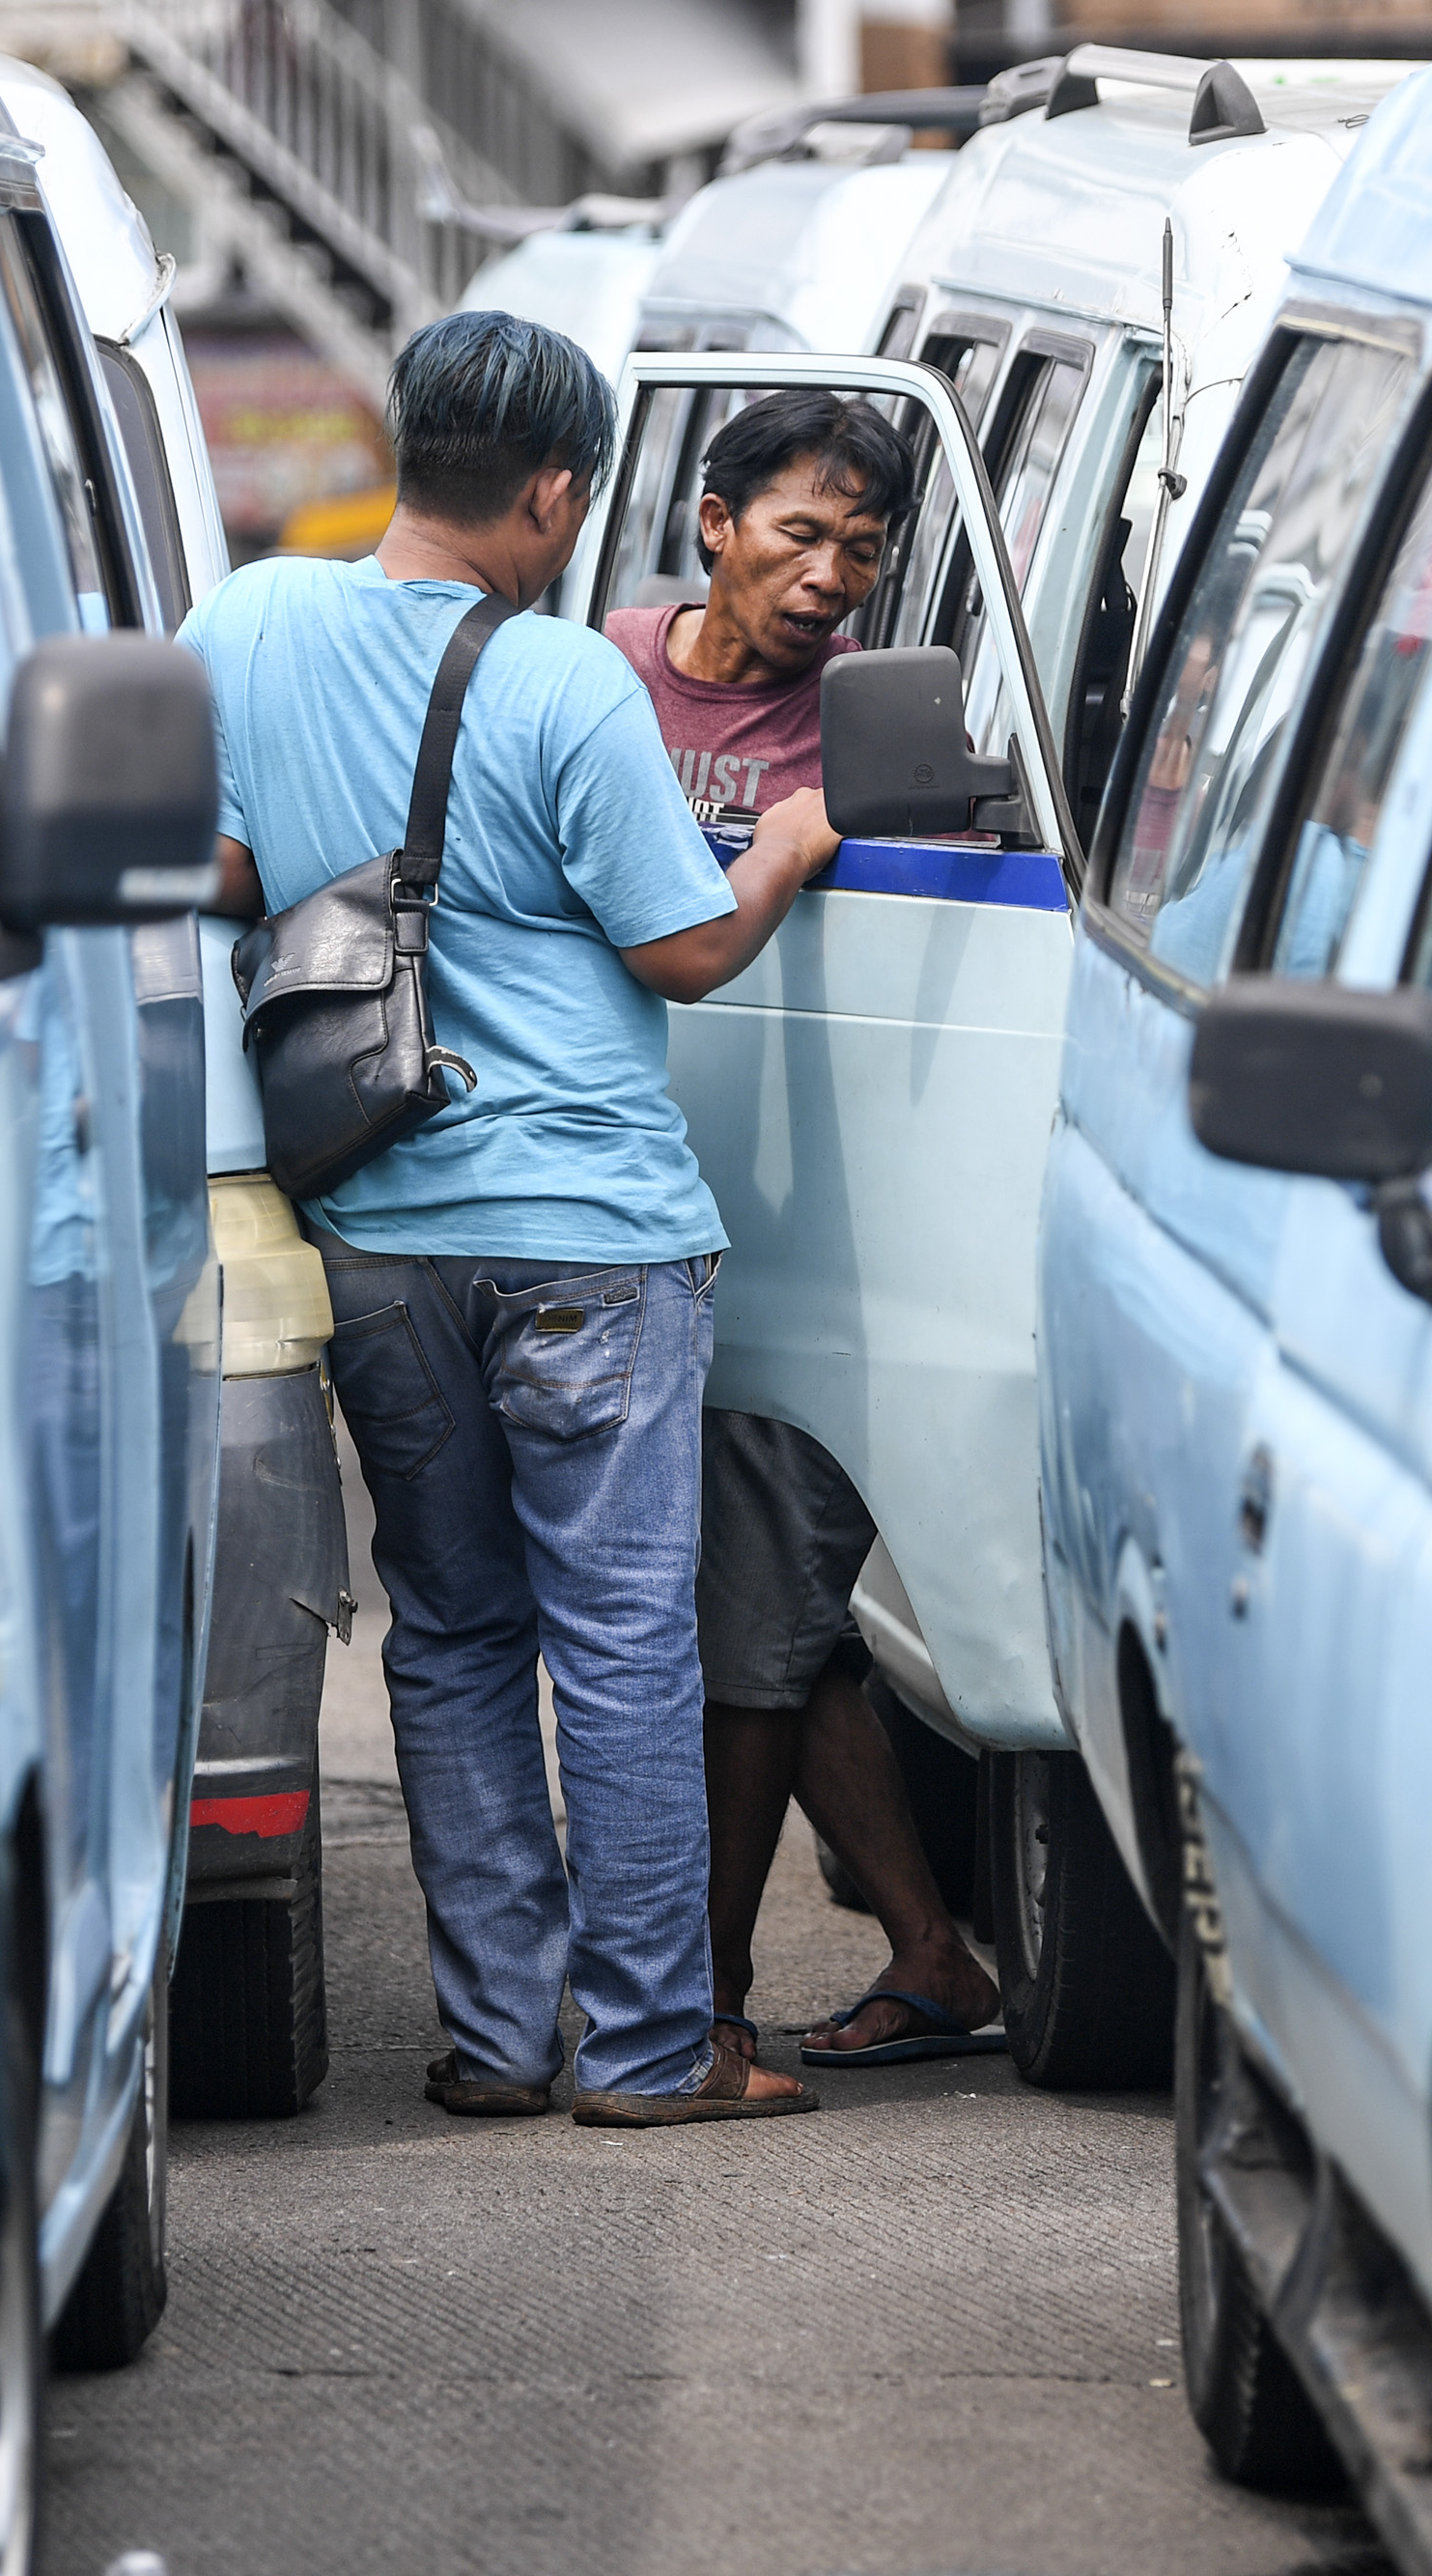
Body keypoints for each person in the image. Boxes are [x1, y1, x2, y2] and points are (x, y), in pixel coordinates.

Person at [183, 313, 839, 2127]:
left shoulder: (245, 620)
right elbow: (681, 947)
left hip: (376, 1228)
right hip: (590, 1237)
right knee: (623, 1640)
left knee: (456, 1628)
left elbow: (215, 865)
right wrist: (784, 840)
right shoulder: (563, 680)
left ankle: (495, 2037)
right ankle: (641, 2054)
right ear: (556, 492)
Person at [605, 391, 1008, 2074]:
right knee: (783, 1628)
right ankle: (933, 1950)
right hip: (618, 1201)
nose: (831, 571)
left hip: (798, 1233)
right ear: (712, 521)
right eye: (799, 530)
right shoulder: (597, 675)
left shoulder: (870, 732)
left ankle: (697, 2009)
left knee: (754, 1633)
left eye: (863, 547)